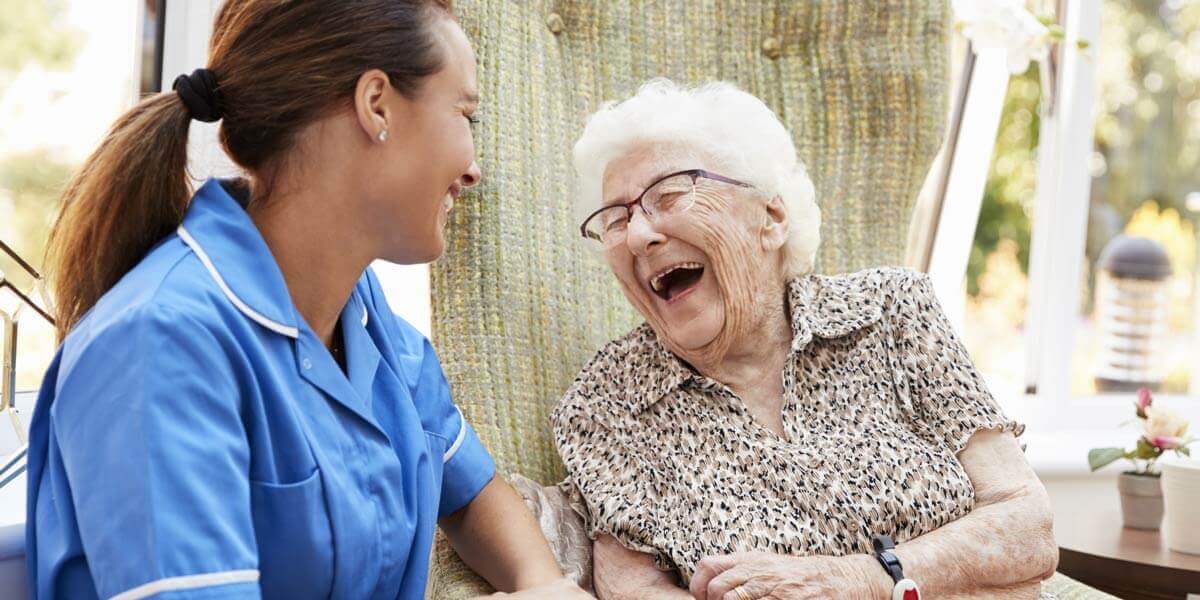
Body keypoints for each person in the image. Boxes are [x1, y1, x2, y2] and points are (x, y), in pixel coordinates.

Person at [25, 1, 587, 598]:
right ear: (377, 106)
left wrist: (545, 583)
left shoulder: (364, 320)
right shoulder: (157, 345)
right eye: (464, 113)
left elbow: (472, 493)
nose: (473, 168)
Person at [553, 80, 1059, 599]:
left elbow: (1026, 524)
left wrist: (862, 580)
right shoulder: (609, 401)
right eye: (617, 220)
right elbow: (632, 589)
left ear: (770, 219)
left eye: (671, 194)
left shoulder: (891, 310)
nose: (639, 236)